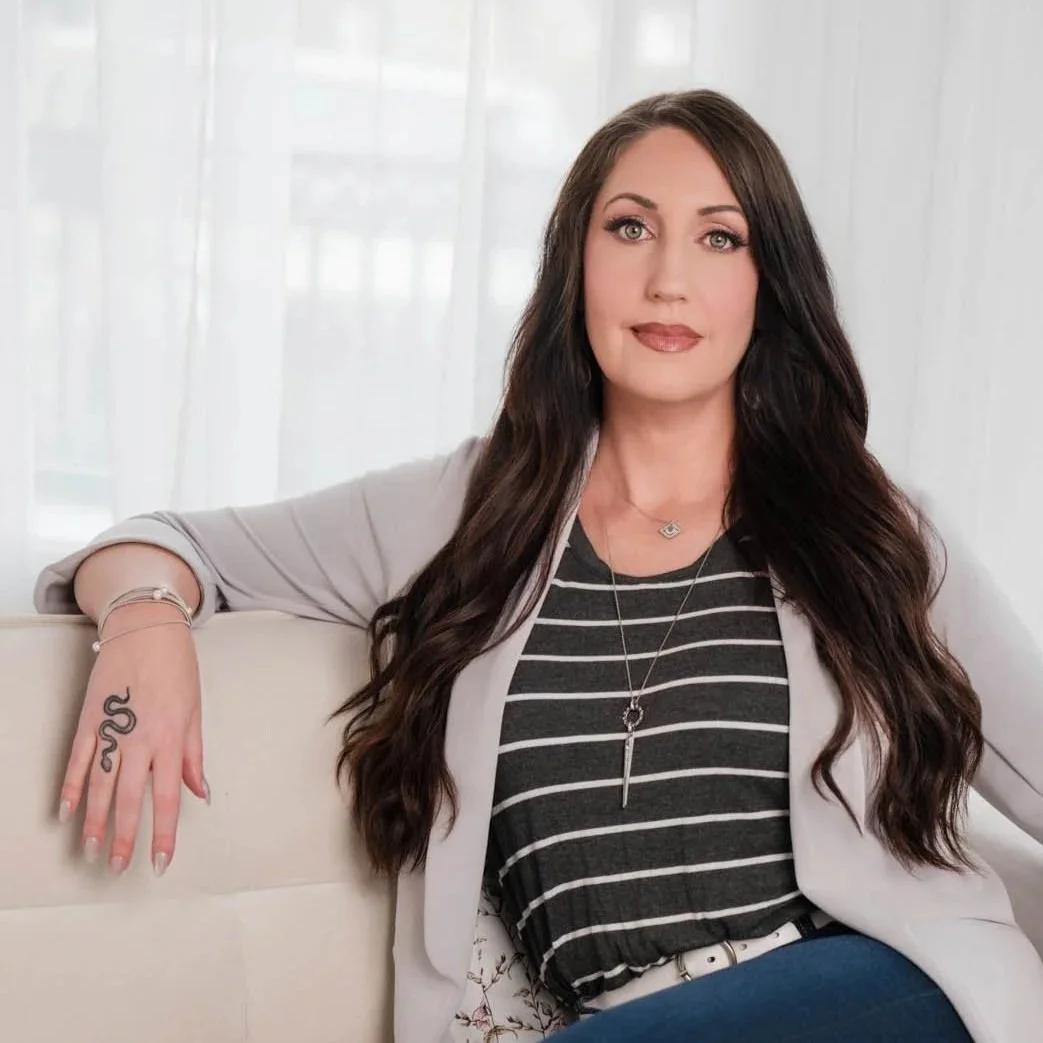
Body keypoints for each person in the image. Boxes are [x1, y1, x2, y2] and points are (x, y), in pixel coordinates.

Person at [34, 89, 1043, 1043]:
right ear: (575, 262)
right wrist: (143, 618)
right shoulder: (466, 511)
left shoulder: (867, 525)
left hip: (877, 991)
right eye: (630, 228)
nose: (667, 279)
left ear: (766, 286)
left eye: (718, 236)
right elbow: (167, 540)